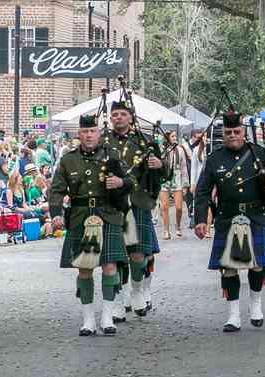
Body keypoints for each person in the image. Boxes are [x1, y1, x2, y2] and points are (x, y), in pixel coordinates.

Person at [192, 111, 265, 332]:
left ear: (244, 132)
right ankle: (233, 314)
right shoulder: (214, 158)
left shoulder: (259, 152)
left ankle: (256, 304)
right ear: (223, 134)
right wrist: (201, 219)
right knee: (229, 269)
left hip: (254, 216)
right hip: (227, 217)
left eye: (237, 131)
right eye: (228, 132)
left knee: (258, 265)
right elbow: (203, 191)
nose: (233, 135)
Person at [52, 113, 129, 337]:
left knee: (109, 266)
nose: (88, 135)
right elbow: (56, 189)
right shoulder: (68, 159)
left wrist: (120, 182)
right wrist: (56, 213)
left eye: (92, 131)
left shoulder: (112, 155)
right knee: (84, 268)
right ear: (79, 134)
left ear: (99, 133)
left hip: (107, 214)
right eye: (85, 131)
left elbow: (131, 182)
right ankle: (88, 319)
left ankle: (106, 317)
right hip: (80, 215)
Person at [104, 99, 164, 320]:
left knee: (138, 255)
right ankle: (119, 299)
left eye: (122, 114)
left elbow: (163, 174)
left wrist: (160, 165)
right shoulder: (103, 142)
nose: (118, 118)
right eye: (114, 115)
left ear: (130, 117)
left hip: (137, 202)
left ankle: (137, 290)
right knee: (117, 256)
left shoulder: (145, 141)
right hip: (111, 205)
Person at [159, 129, 190, 241]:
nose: (175, 138)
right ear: (167, 138)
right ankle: (166, 230)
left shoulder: (180, 150)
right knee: (164, 206)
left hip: (177, 178)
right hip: (164, 179)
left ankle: (178, 226)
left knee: (179, 207)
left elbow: (184, 167)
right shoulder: (161, 150)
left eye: (175, 136)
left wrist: (185, 184)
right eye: (172, 136)